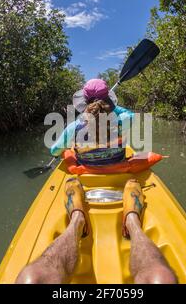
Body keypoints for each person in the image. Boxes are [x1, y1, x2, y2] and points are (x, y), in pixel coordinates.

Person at [16, 79, 177, 284]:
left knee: (34, 278)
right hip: (119, 168)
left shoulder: (74, 127)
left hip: (85, 172)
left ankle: (77, 219)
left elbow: (53, 150)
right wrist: (111, 107)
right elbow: (131, 116)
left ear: (84, 103)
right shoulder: (123, 120)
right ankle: (131, 221)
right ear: (109, 101)